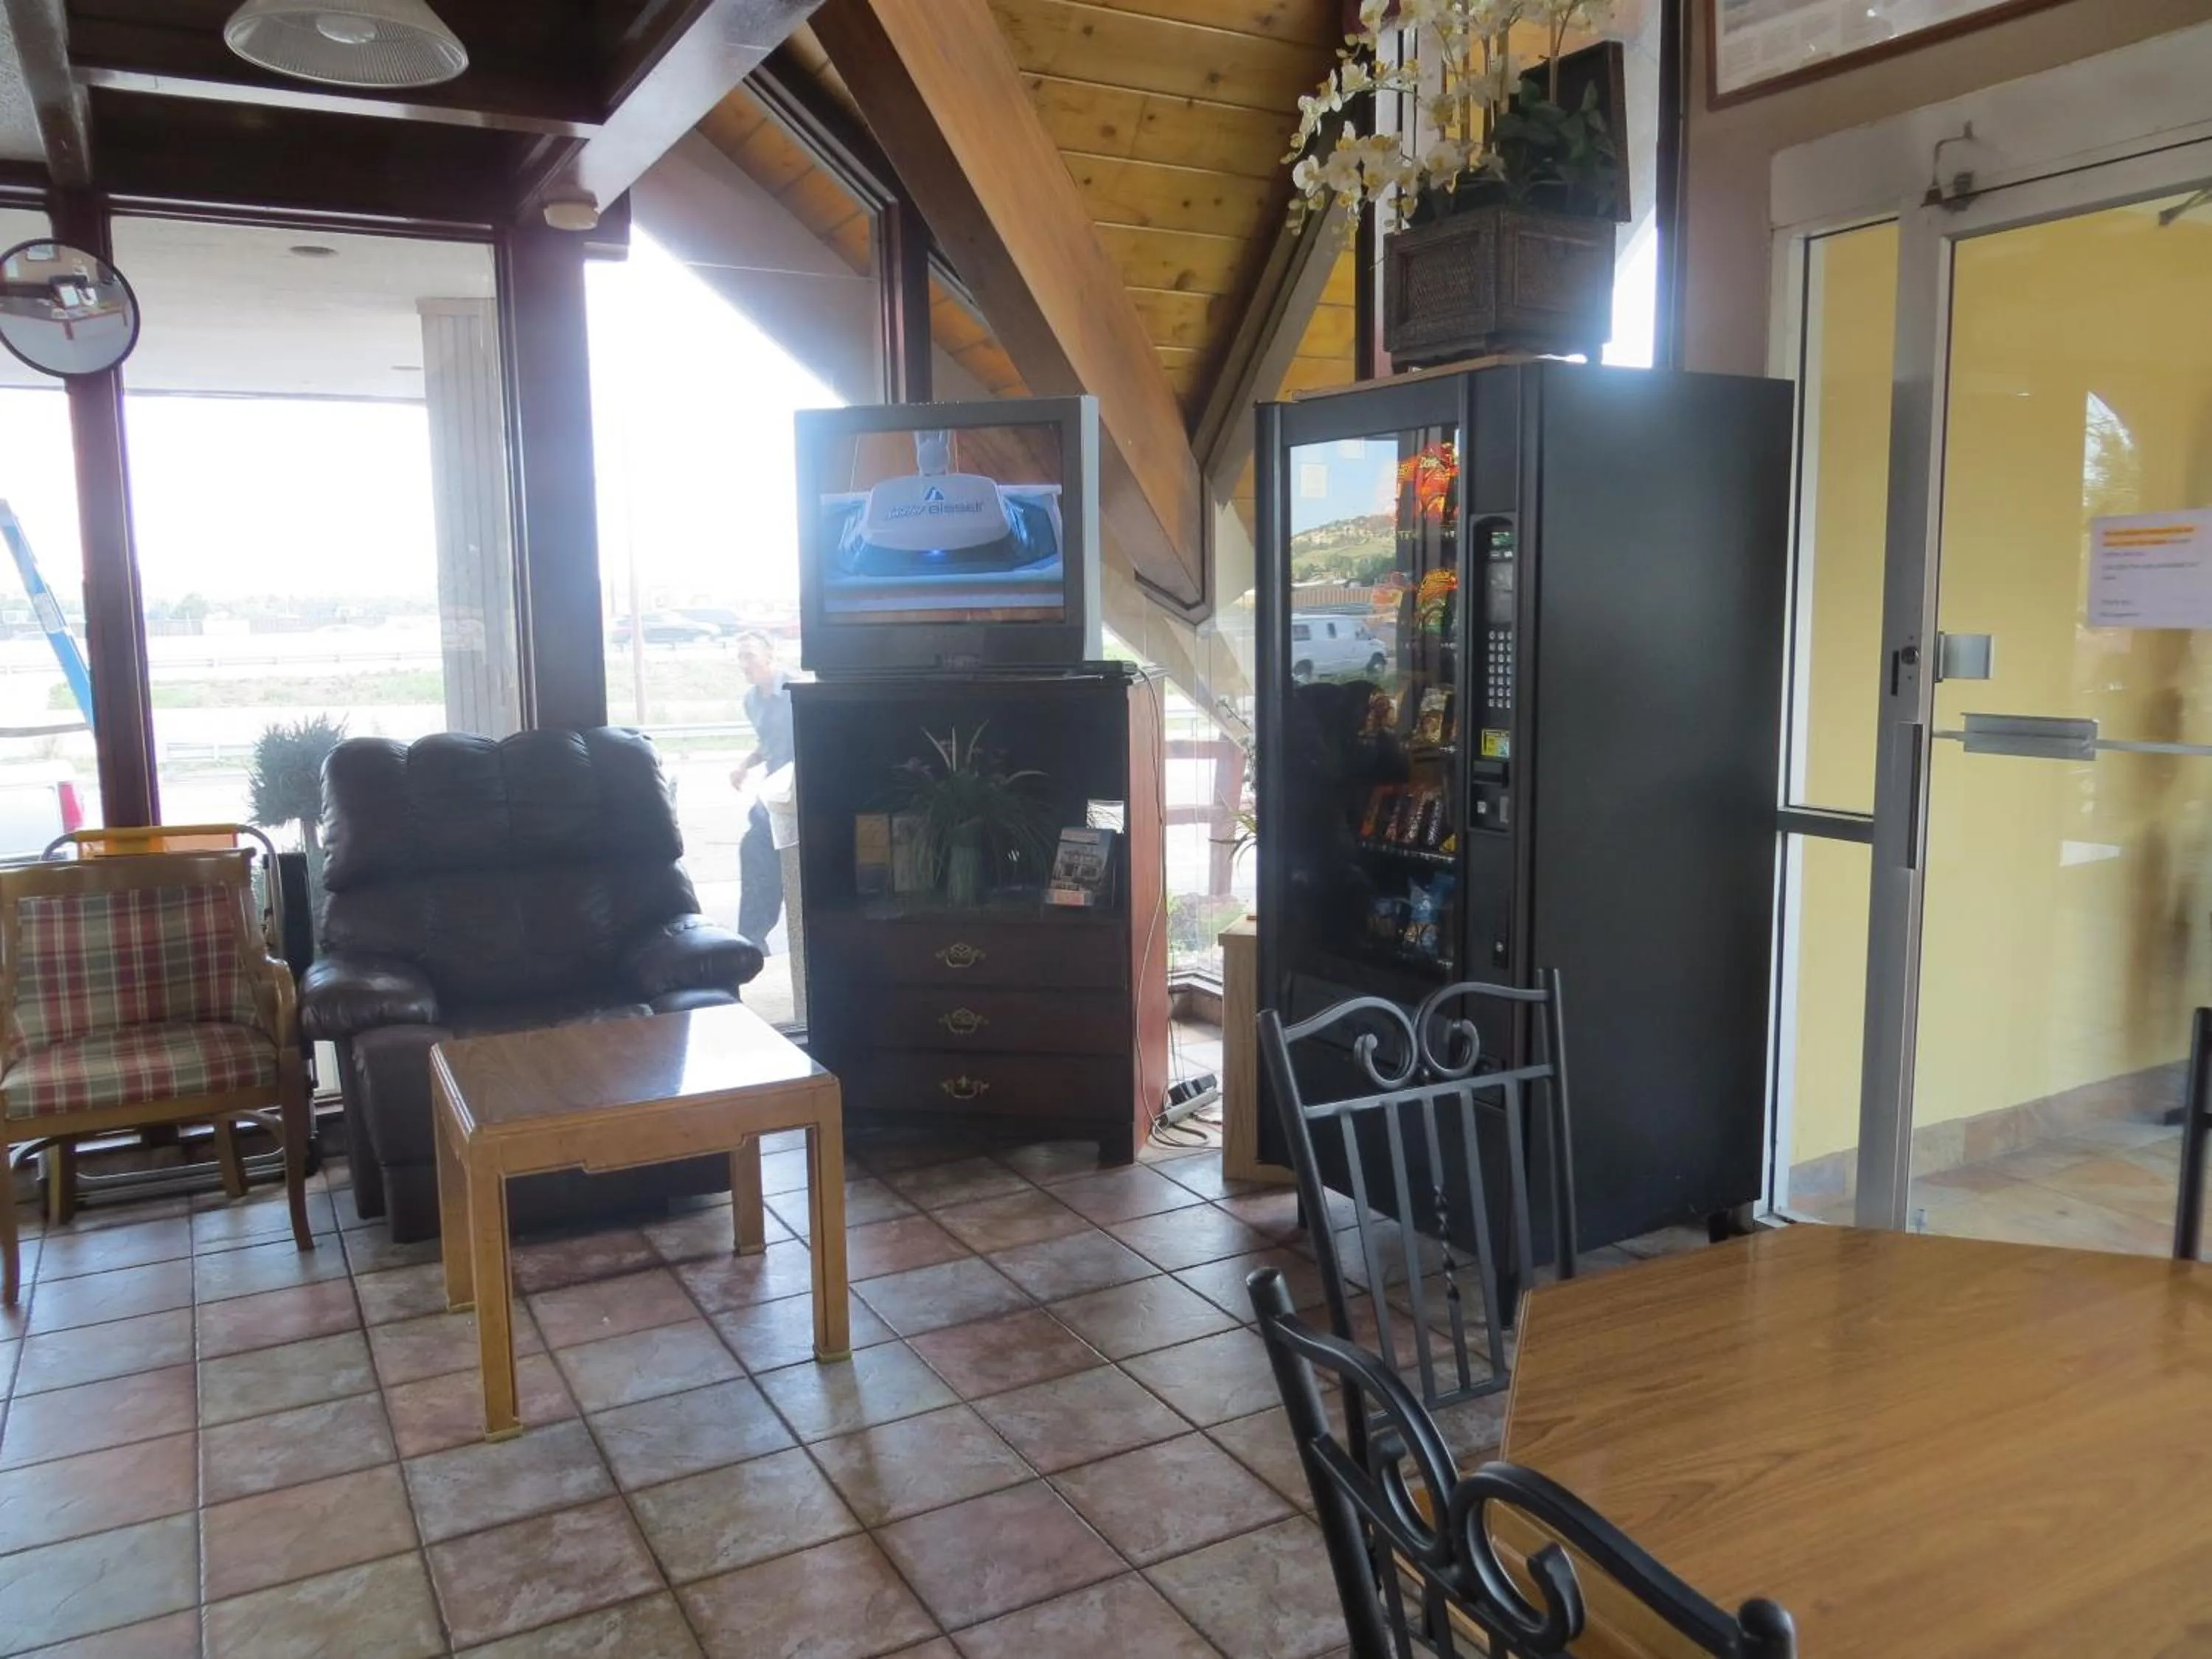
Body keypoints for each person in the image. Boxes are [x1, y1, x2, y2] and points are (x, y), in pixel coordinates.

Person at [730, 631, 793, 949]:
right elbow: (768, 745)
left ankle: (759, 942)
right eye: (740, 657)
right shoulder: (751, 701)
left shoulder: (796, 693)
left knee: (788, 874)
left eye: (750, 655)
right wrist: (744, 765)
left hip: (797, 799)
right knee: (753, 852)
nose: (744, 664)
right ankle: (751, 944)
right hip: (771, 799)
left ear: (771, 655)